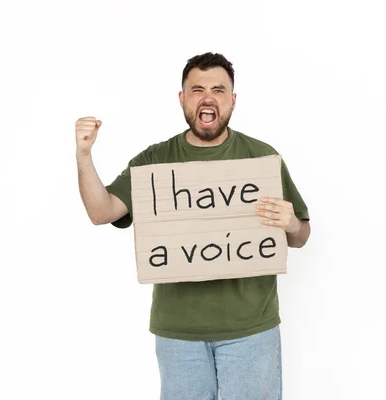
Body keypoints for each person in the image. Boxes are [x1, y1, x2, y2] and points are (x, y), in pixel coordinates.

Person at [75, 52, 310, 400]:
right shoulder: (155, 160)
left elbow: (301, 235)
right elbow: (102, 211)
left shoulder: (261, 158)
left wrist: (290, 222)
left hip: (250, 331)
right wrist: (84, 156)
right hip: (178, 334)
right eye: (197, 89)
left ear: (232, 99)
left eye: (218, 88)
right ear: (183, 98)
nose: (208, 97)